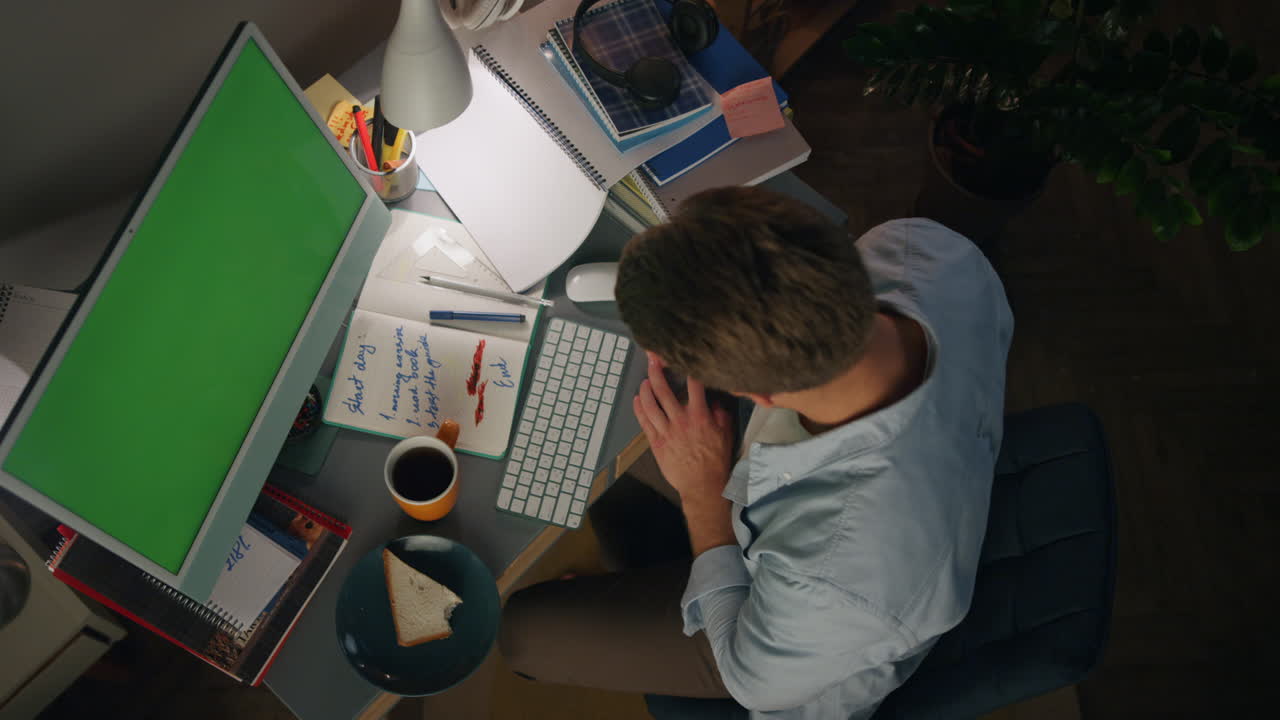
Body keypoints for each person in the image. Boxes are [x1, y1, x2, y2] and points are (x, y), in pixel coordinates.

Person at [500, 186, 1013, 719]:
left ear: (760, 396)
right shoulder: (919, 248)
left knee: (522, 632)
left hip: (777, 632)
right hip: (866, 488)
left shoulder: (839, 576)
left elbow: (751, 681)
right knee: (615, 405)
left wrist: (704, 499)